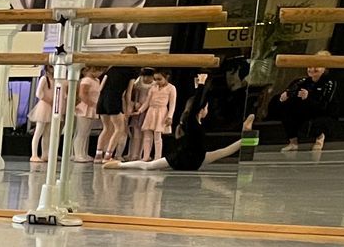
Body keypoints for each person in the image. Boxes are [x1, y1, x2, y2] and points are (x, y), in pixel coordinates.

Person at [118, 69, 250, 170]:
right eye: (206, 108)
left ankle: (247, 135)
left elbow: (197, 102)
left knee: (224, 152)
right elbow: (197, 102)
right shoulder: (191, 121)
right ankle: (119, 165)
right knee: (148, 166)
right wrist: (201, 84)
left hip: (196, 158)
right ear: (201, 110)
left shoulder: (194, 121)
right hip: (185, 159)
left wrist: (199, 86)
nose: (207, 110)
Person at [275, 61, 337, 155]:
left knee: (312, 122)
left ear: (324, 69)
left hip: (323, 113)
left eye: (316, 67)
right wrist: (287, 94)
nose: (312, 69)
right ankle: (293, 142)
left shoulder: (329, 83)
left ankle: (320, 137)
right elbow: (293, 89)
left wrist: (308, 97)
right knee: (286, 110)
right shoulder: (303, 81)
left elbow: (324, 105)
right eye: (310, 66)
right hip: (306, 111)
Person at [96, 47, 140, 164]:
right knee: (119, 129)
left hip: (102, 99)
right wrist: (128, 108)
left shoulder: (111, 68)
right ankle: (108, 155)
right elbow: (128, 93)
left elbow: (100, 87)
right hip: (114, 99)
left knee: (107, 128)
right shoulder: (131, 71)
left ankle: (98, 155)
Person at [139, 69, 178, 164]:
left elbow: (172, 104)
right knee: (147, 134)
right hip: (151, 111)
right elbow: (147, 101)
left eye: (159, 79)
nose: (157, 81)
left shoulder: (171, 88)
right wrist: (140, 111)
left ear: (166, 77)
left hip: (161, 112)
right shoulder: (153, 87)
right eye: (155, 79)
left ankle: (157, 157)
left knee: (157, 135)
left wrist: (170, 116)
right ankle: (146, 156)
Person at [28, 65, 58, 164]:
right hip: (44, 106)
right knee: (38, 131)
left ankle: (45, 154)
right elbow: (38, 93)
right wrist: (48, 100)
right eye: (51, 67)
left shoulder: (54, 80)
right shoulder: (44, 79)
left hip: (50, 106)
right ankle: (34, 154)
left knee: (47, 132)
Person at [74, 64, 103, 162]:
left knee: (86, 132)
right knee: (81, 132)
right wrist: (91, 104)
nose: (100, 73)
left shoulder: (97, 80)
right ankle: (77, 154)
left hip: (92, 108)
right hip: (85, 107)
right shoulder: (86, 80)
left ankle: (84, 153)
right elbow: (82, 94)